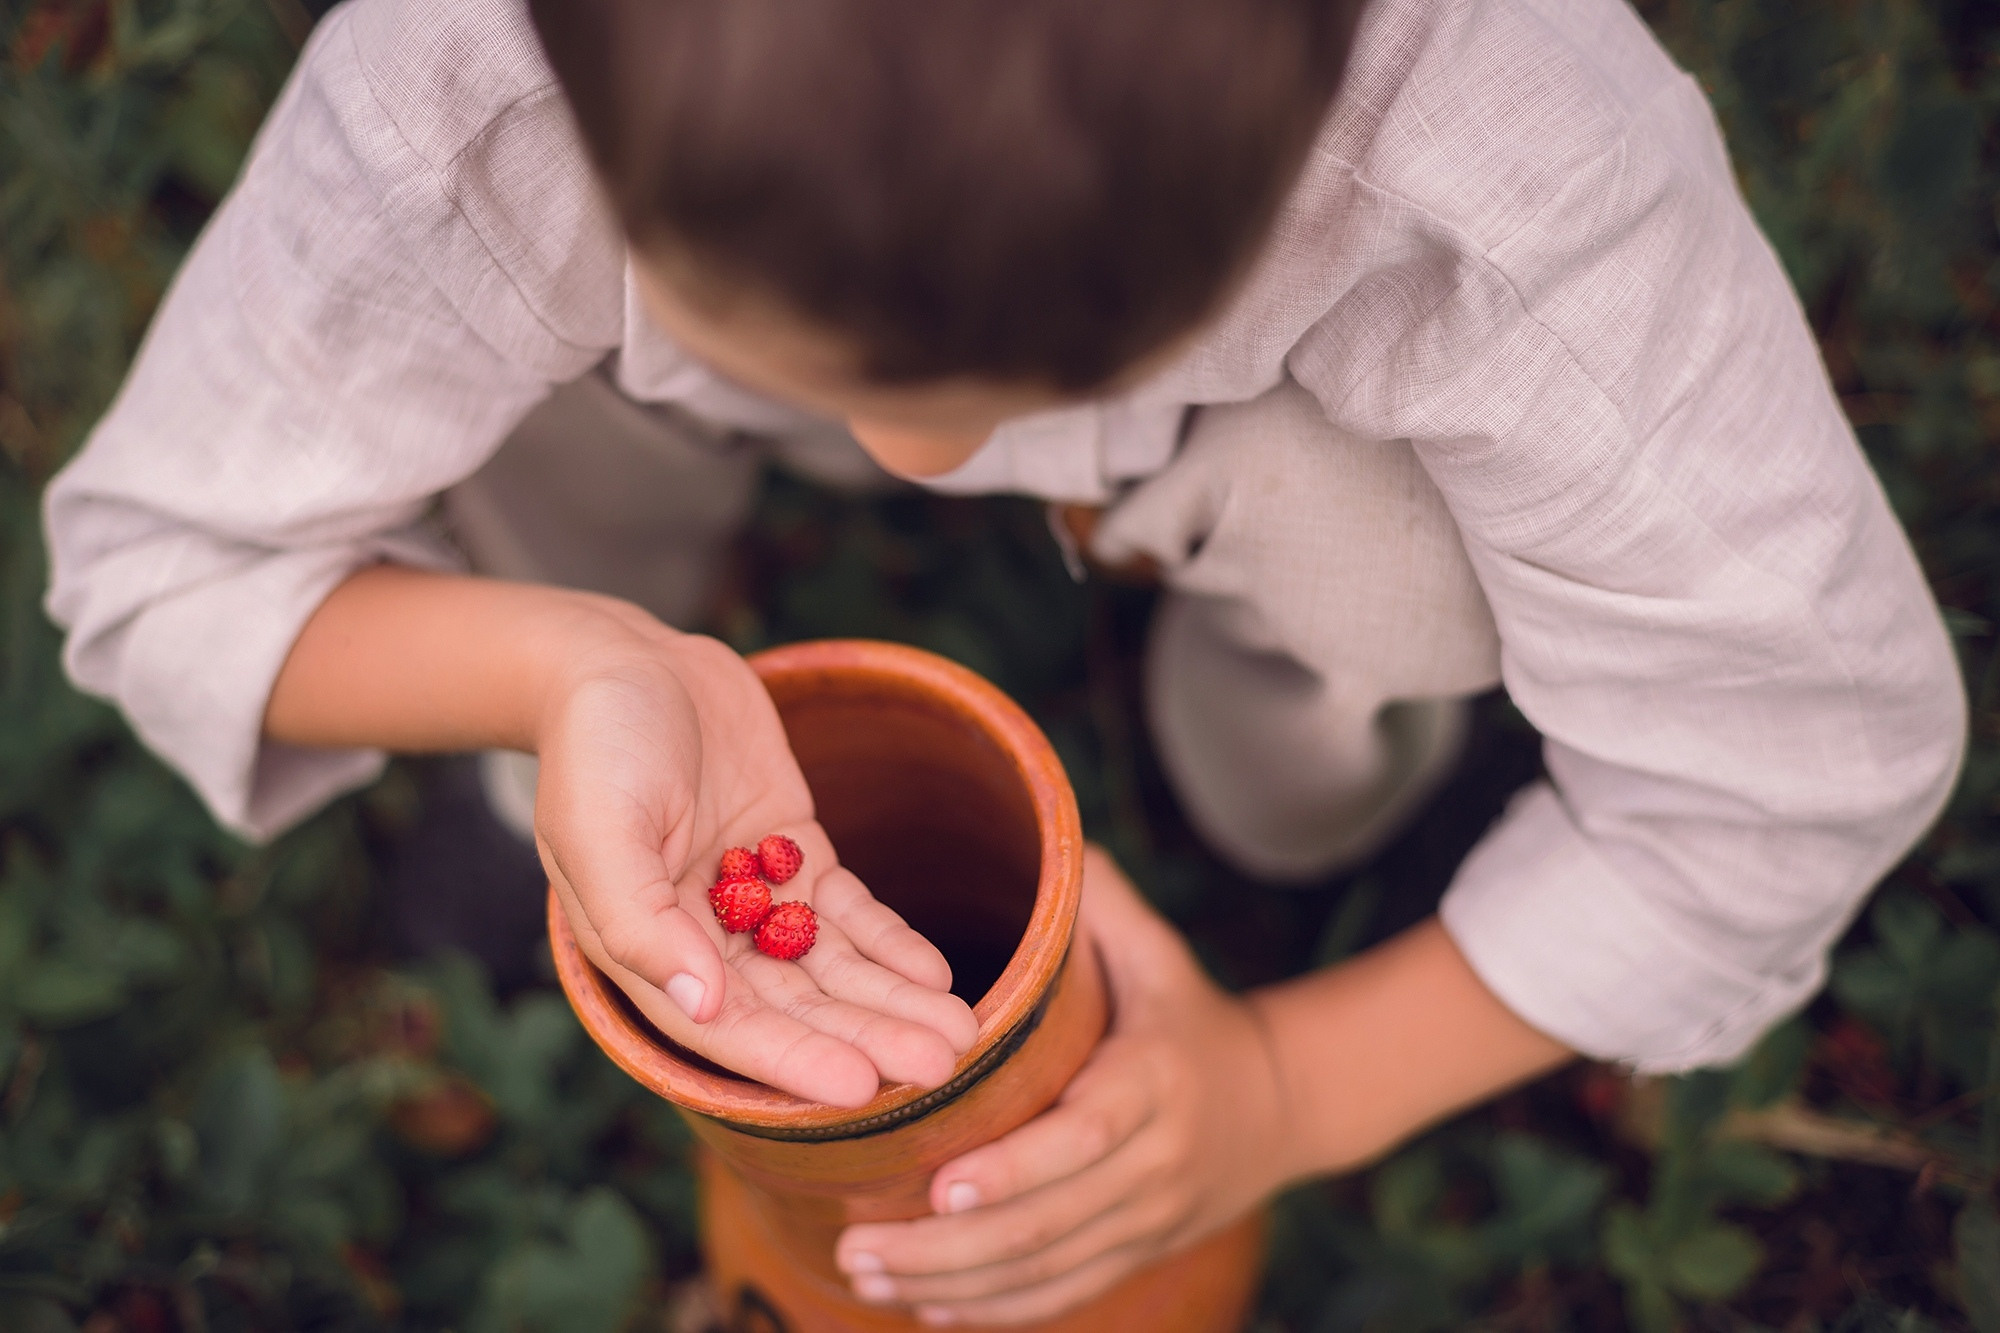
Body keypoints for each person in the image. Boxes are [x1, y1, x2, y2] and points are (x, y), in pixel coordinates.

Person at [43, 0, 1966, 1321]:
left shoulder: (1511, 173)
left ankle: (1292, 757)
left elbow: (1796, 764)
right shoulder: (481, 86)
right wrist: (557, 671)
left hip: (1259, 446)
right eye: (834, 363)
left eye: (1016, 382)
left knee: (1404, 556)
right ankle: (545, 728)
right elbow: (158, 559)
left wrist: (1291, 1088)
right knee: (509, 384)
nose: (925, 459)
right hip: (631, 370)